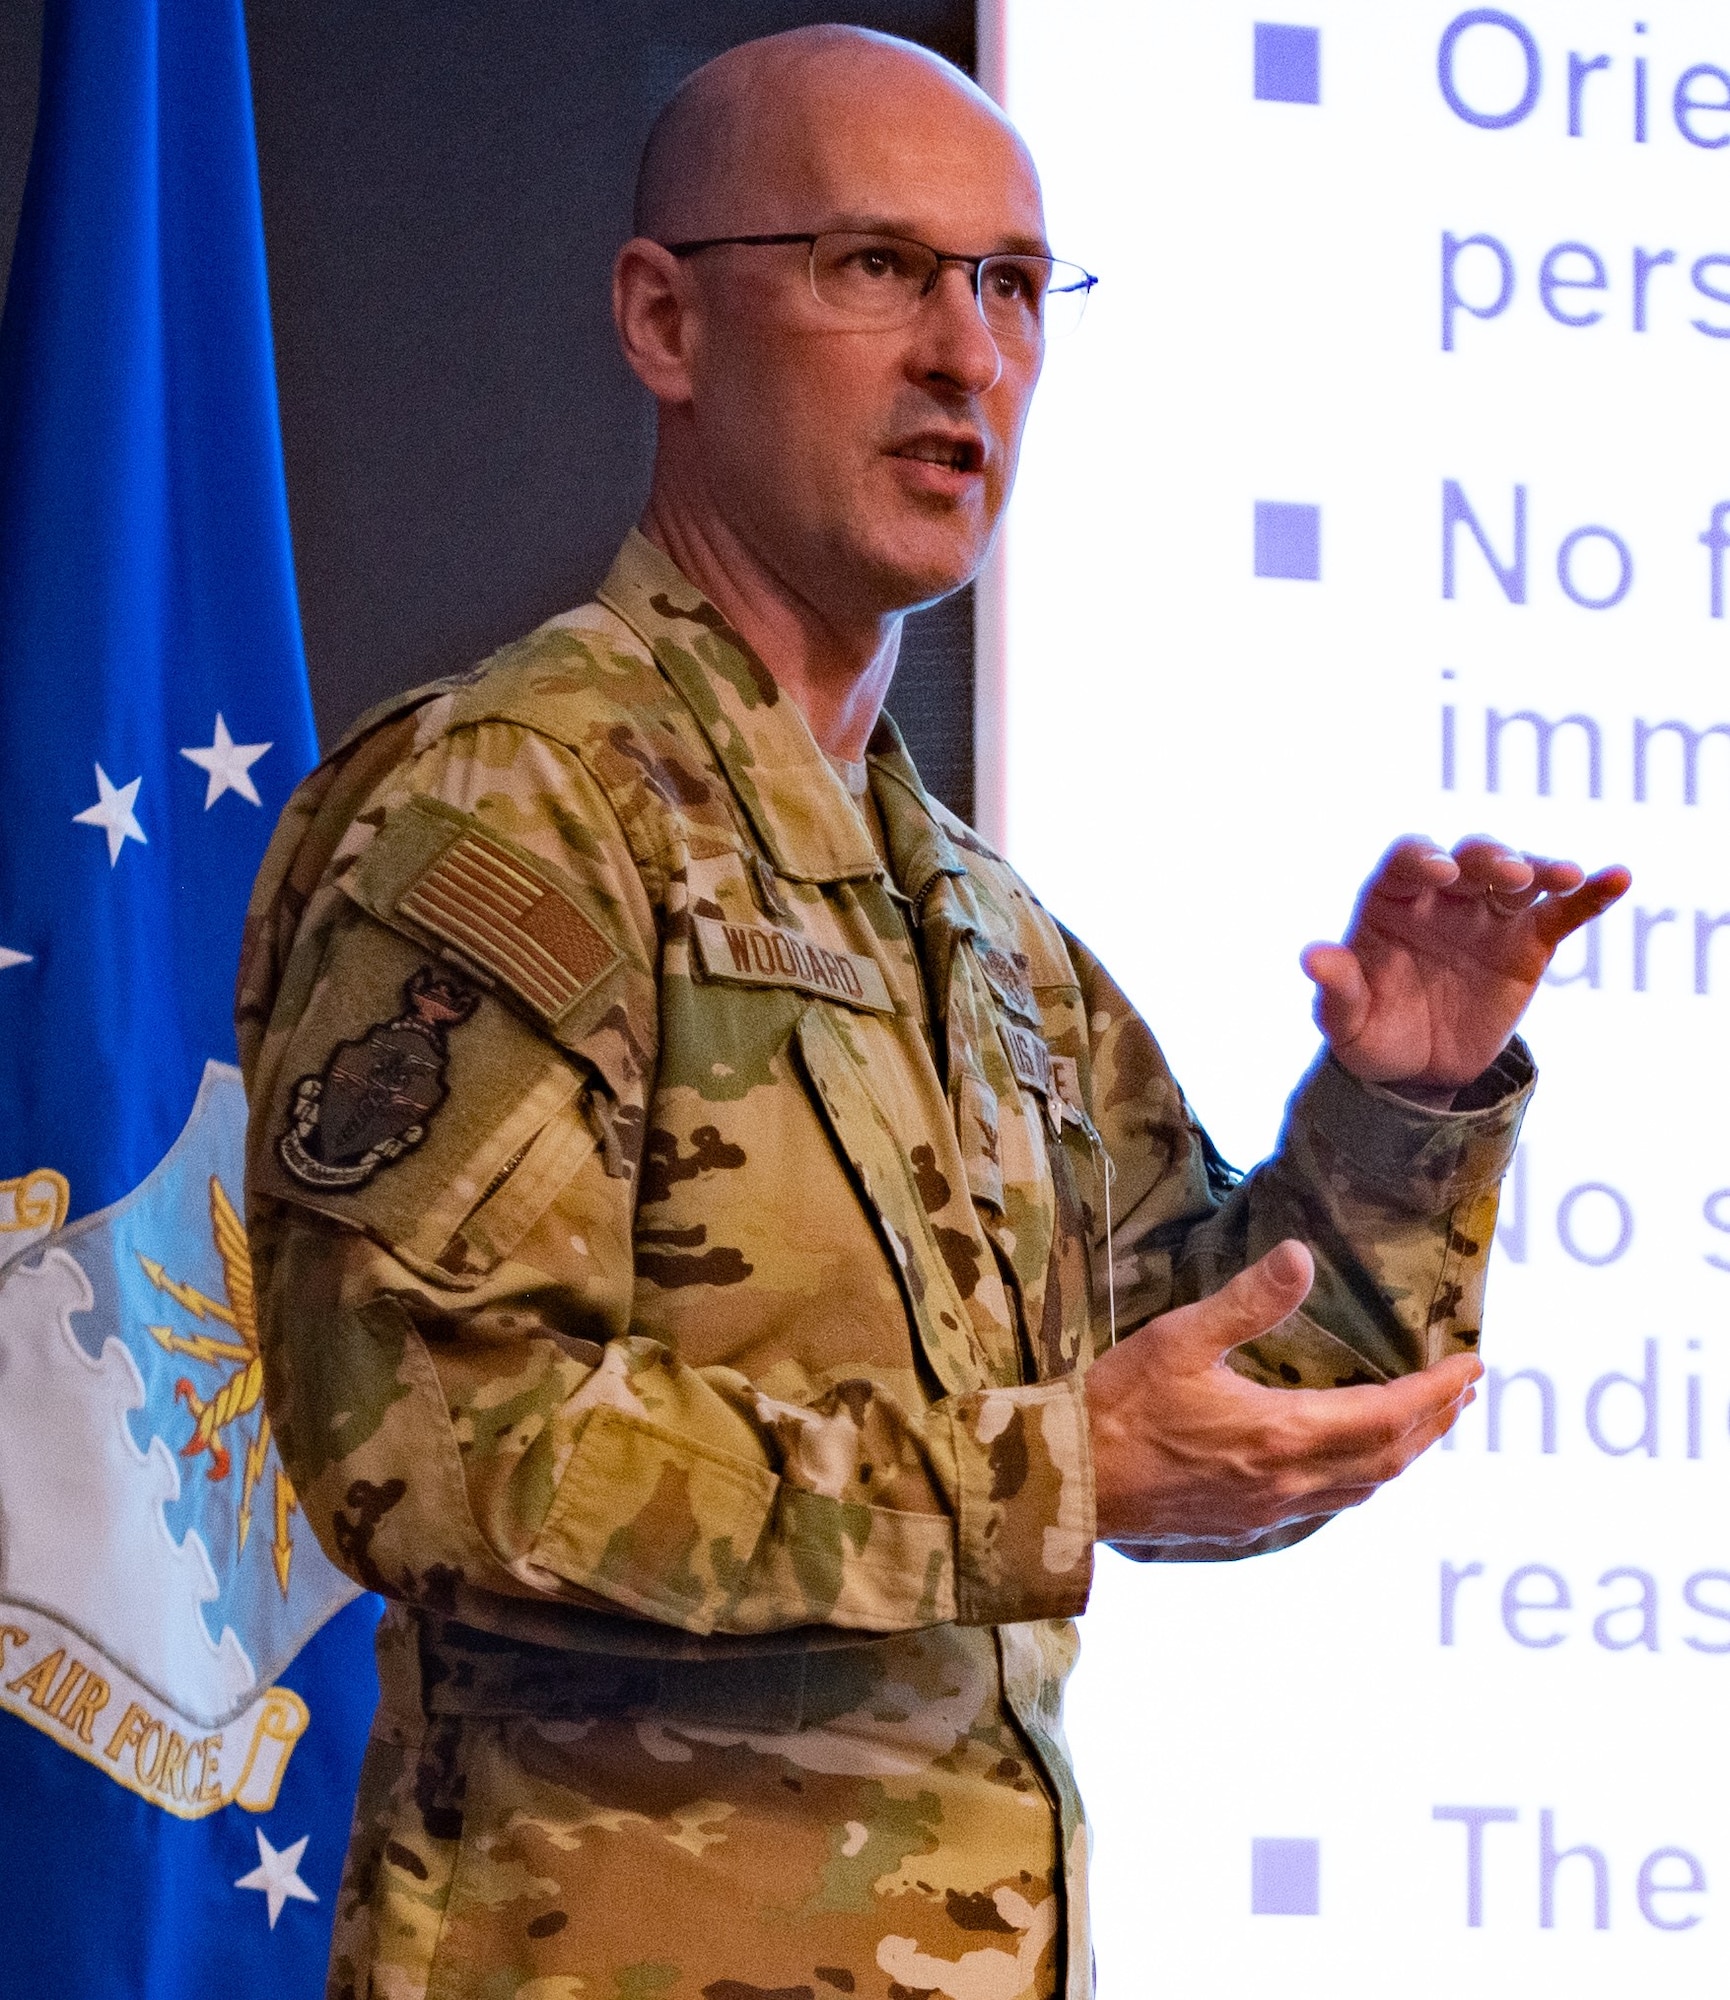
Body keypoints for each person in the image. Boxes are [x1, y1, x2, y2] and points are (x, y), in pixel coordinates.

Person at [236, 25, 1628, 2000]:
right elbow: (443, 1445)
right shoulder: (509, 816)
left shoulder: (984, 930)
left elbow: (1215, 1406)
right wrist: (1043, 1472)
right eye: (873, 266)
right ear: (664, 320)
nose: (964, 353)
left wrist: (1401, 1112)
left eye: (1008, 284)